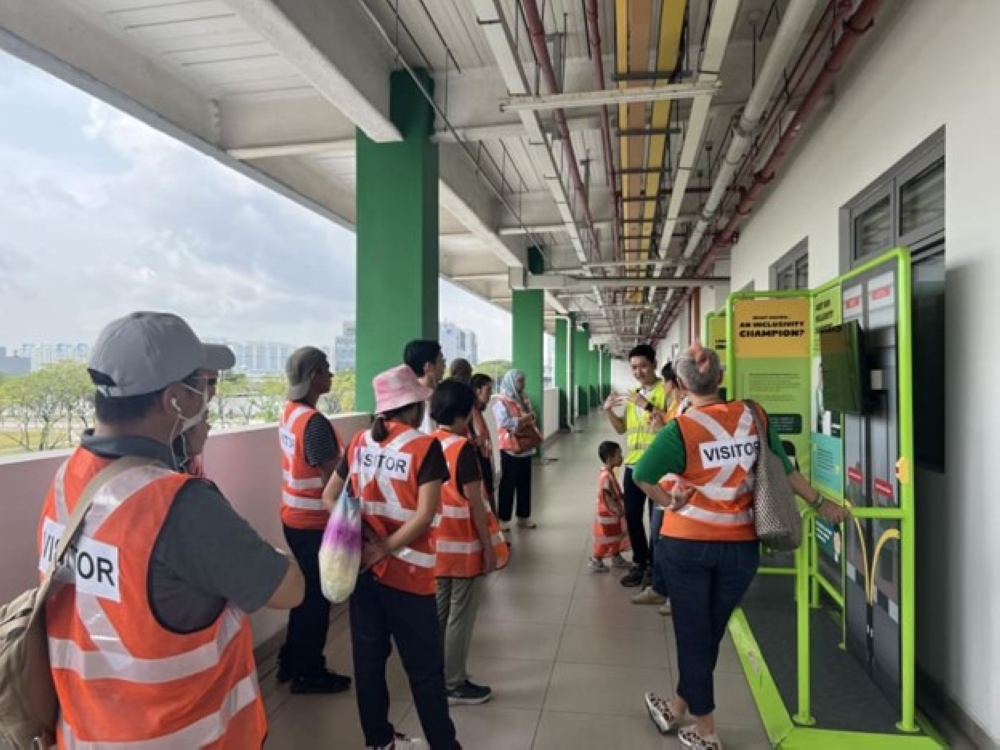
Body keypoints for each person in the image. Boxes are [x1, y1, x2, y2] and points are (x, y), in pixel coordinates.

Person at [37, 311, 305, 747]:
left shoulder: (69, 478)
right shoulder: (180, 504)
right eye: (202, 385)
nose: (208, 397)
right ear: (174, 400)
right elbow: (289, 589)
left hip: (85, 733)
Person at [633, 345, 850, 750]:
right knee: (709, 632)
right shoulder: (755, 415)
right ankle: (678, 708)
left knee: (694, 634)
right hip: (741, 547)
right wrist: (823, 504)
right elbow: (784, 469)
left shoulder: (680, 430)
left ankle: (707, 730)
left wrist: (669, 503)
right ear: (720, 378)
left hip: (687, 546)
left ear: (680, 385)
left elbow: (642, 475)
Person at [322, 364, 461, 750]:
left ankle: (379, 742)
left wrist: (365, 535)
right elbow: (425, 514)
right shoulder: (424, 446)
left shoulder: (359, 442)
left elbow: (329, 496)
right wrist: (385, 546)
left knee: (368, 662)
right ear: (413, 407)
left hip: (364, 572)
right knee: (425, 671)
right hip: (409, 575)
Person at [275, 347, 352, 693]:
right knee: (316, 602)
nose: (331, 375)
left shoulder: (290, 412)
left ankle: (290, 660)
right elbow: (331, 482)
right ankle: (308, 671)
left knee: (304, 597)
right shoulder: (315, 423)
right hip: (312, 523)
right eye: (327, 369)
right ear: (314, 376)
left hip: (293, 517)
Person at [431, 380, 509, 706]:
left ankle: (434, 675)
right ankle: (454, 682)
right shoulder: (462, 450)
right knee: (459, 618)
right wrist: (489, 550)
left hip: (435, 547)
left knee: (439, 613)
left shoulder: (427, 442)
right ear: (466, 414)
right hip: (463, 546)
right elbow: (476, 504)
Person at [602, 344, 668, 588]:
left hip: (658, 466)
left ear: (654, 365)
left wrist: (647, 405)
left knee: (656, 519)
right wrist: (608, 411)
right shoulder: (633, 394)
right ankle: (640, 562)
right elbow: (621, 428)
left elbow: (672, 422)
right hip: (633, 465)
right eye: (634, 367)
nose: (638, 371)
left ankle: (655, 565)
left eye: (642, 366)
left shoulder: (666, 391)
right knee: (631, 514)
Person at [632, 361, 688, 611]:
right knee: (659, 537)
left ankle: (674, 594)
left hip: (676, 488)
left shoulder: (686, 408)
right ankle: (659, 587)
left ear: (675, 383)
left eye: (665, 381)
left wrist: (660, 429)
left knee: (668, 540)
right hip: (664, 482)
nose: (662, 387)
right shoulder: (676, 406)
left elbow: (681, 442)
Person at [493, 369, 540, 531]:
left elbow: (532, 416)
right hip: (510, 448)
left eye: (523, 380)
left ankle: (523, 516)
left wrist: (529, 418)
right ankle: (503, 518)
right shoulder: (501, 401)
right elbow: (504, 422)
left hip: (525, 447)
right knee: (508, 483)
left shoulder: (524, 398)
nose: (523, 384)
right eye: (520, 381)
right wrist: (523, 420)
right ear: (512, 381)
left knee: (524, 483)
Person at [590, 441, 631, 573]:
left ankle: (616, 556)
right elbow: (606, 494)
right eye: (619, 454)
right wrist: (617, 508)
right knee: (607, 538)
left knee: (615, 535)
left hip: (612, 514)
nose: (622, 457)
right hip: (608, 514)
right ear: (609, 458)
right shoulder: (606, 476)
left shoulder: (610, 473)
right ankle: (596, 559)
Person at [404, 339, 446, 433]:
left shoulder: (410, 397)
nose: (444, 364)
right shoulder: (424, 401)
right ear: (428, 366)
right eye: (440, 360)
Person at [469, 373, 497, 513]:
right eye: (488, 390)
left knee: (490, 490)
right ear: (477, 390)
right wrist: (477, 440)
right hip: (476, 460)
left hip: (484, 456)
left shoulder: (478, 411)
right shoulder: (469, 411)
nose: (490, 394)